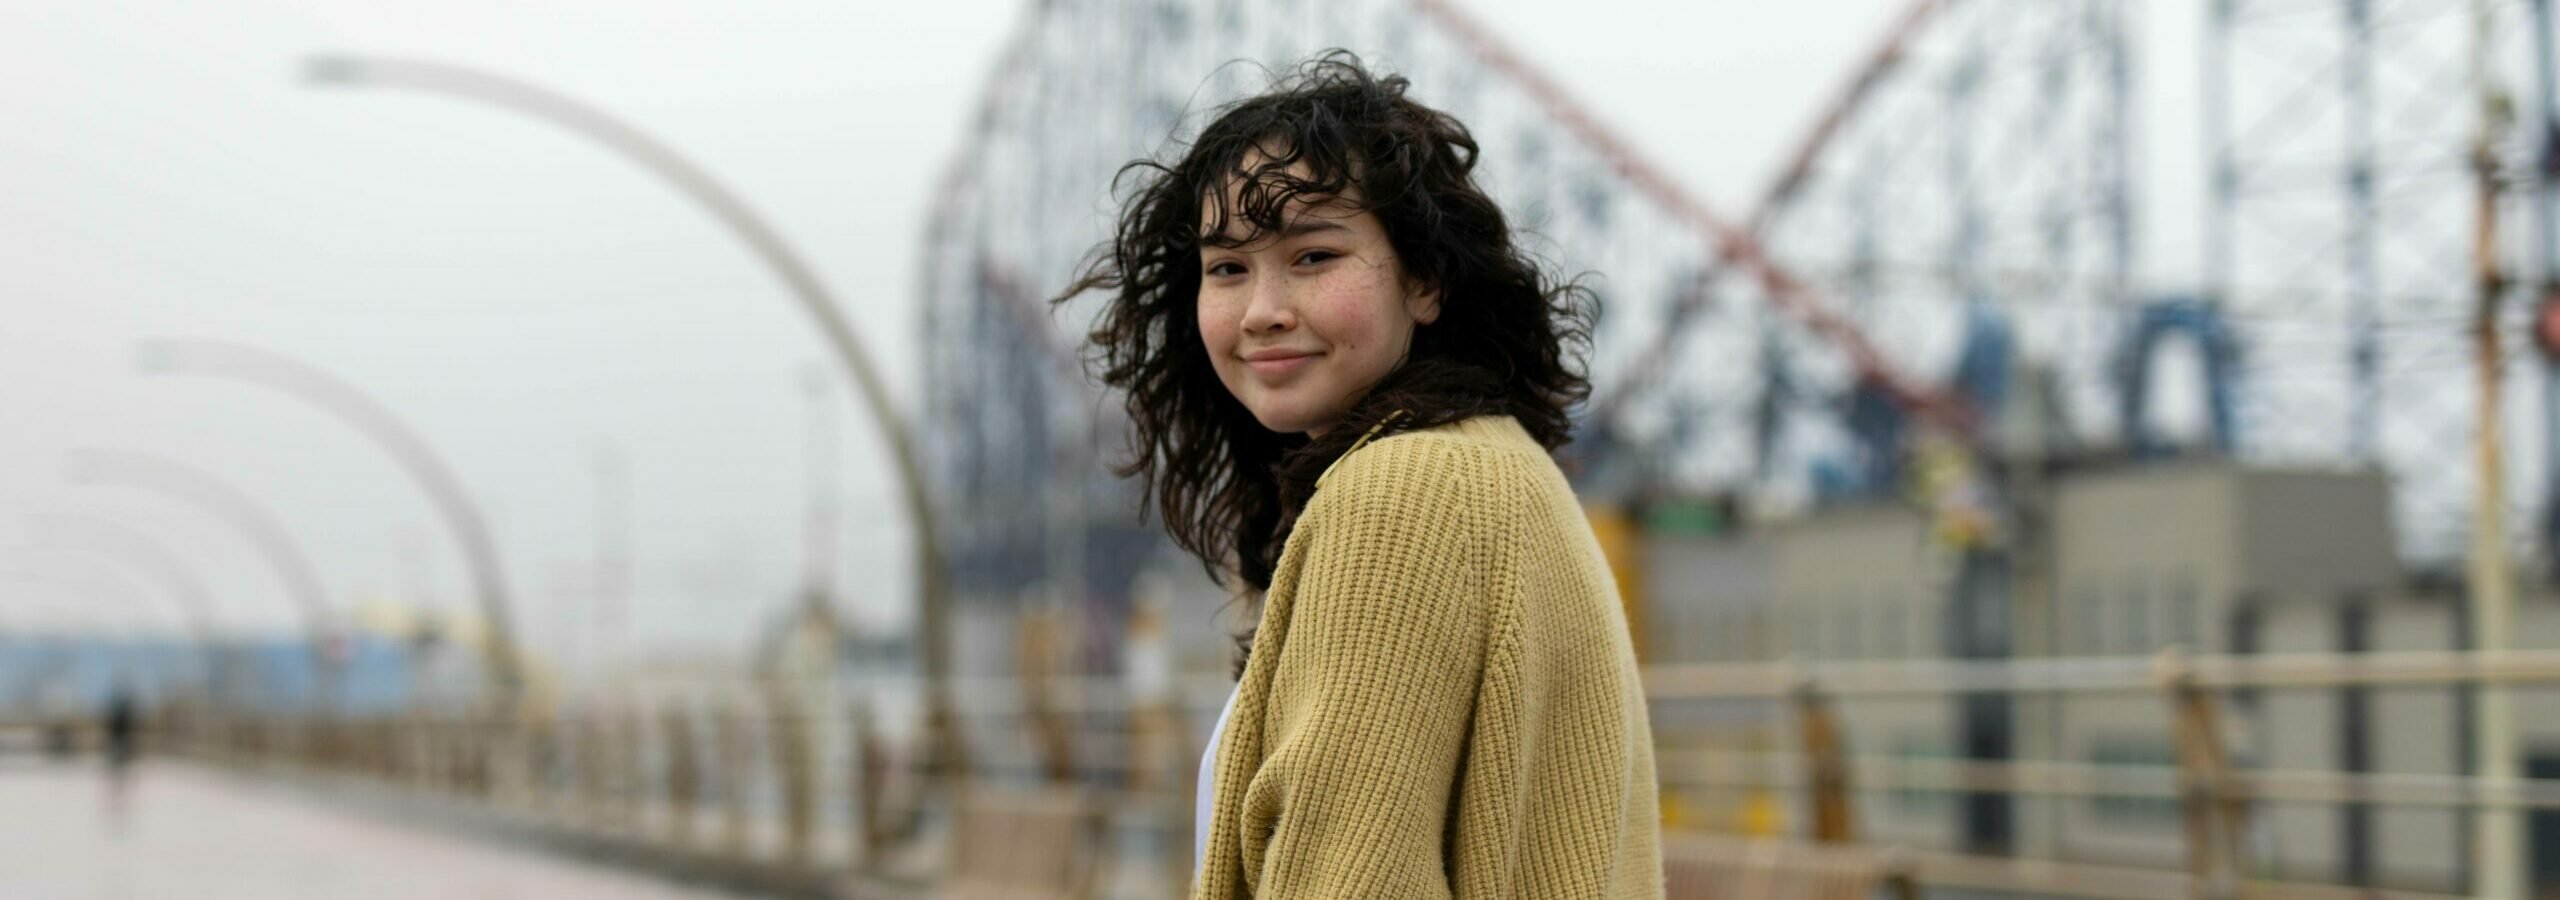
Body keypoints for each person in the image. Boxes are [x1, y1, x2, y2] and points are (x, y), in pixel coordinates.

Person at [1059, 51, 1663, 899]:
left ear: (1424, 279)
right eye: (1227, 268)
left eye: (1312, 256)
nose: (1263, 308)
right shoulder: (1495, 464)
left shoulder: (1398, 497)